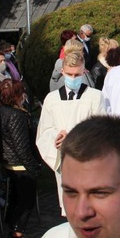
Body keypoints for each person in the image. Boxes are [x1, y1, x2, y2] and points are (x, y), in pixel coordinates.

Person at [38, 51, 105, 215]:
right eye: (69, 74)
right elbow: (44, 131)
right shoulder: (52, 99)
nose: (73, 78)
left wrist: (74, 139)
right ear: (62, 72)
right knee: (70, 209)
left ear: (84, 72)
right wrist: (56, 137)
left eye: (77, 74)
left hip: (88, 162)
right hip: (63, 161)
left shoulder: (95, 97)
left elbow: (102, 130)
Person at [0, 80, 41, 238]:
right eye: (21, 92)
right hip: (20, 165)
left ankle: (14, 233)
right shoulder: (16, 115)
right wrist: (34, 167)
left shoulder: (5, 111)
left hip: (13, 163)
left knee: (16, 200)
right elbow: (21, 146)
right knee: (25, 202)